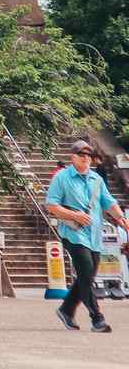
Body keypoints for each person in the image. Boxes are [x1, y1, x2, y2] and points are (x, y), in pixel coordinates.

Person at [46, 140, 129, 333]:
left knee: (87, 277)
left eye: (88, 157)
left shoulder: (96, 180)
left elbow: (108, 202)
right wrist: (74, 215)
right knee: (85, 273)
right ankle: (97, 318)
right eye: (81, 157)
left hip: (94, 235)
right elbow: (51, 205)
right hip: (73, 234)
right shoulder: (62, 178)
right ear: (72, 157)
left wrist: (122, 220)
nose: (85, 160)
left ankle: (66, 310)